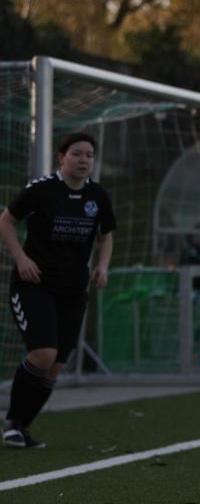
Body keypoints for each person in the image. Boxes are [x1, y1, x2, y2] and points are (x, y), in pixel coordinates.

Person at [0, 131, 116, 448]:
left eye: (89, 155)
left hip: (73, 291)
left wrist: (103, 266)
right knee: (43, 353)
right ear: (62, 158)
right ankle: (12, 422)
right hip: (34, 285)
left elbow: (106, 235)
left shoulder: (97, 195)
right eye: (77, 154)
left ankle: (20, 428)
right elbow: (6, 221)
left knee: (55, 366)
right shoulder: (41, 189)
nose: (83, 160)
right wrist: (21, 258)